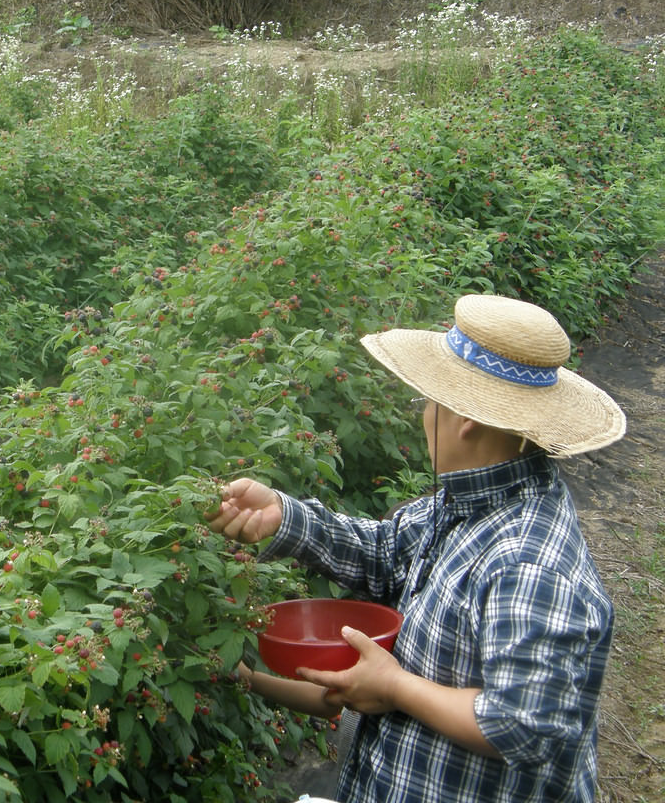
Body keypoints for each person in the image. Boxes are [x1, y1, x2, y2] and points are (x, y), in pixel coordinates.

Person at [207, 293, 625, 803]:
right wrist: (282, 513)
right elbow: (385, 554)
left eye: (429, 402)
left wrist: (396, 687)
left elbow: (525, 723)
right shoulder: (464, 504)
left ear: (462, 417)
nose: (424, 414)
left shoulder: (529, 560)